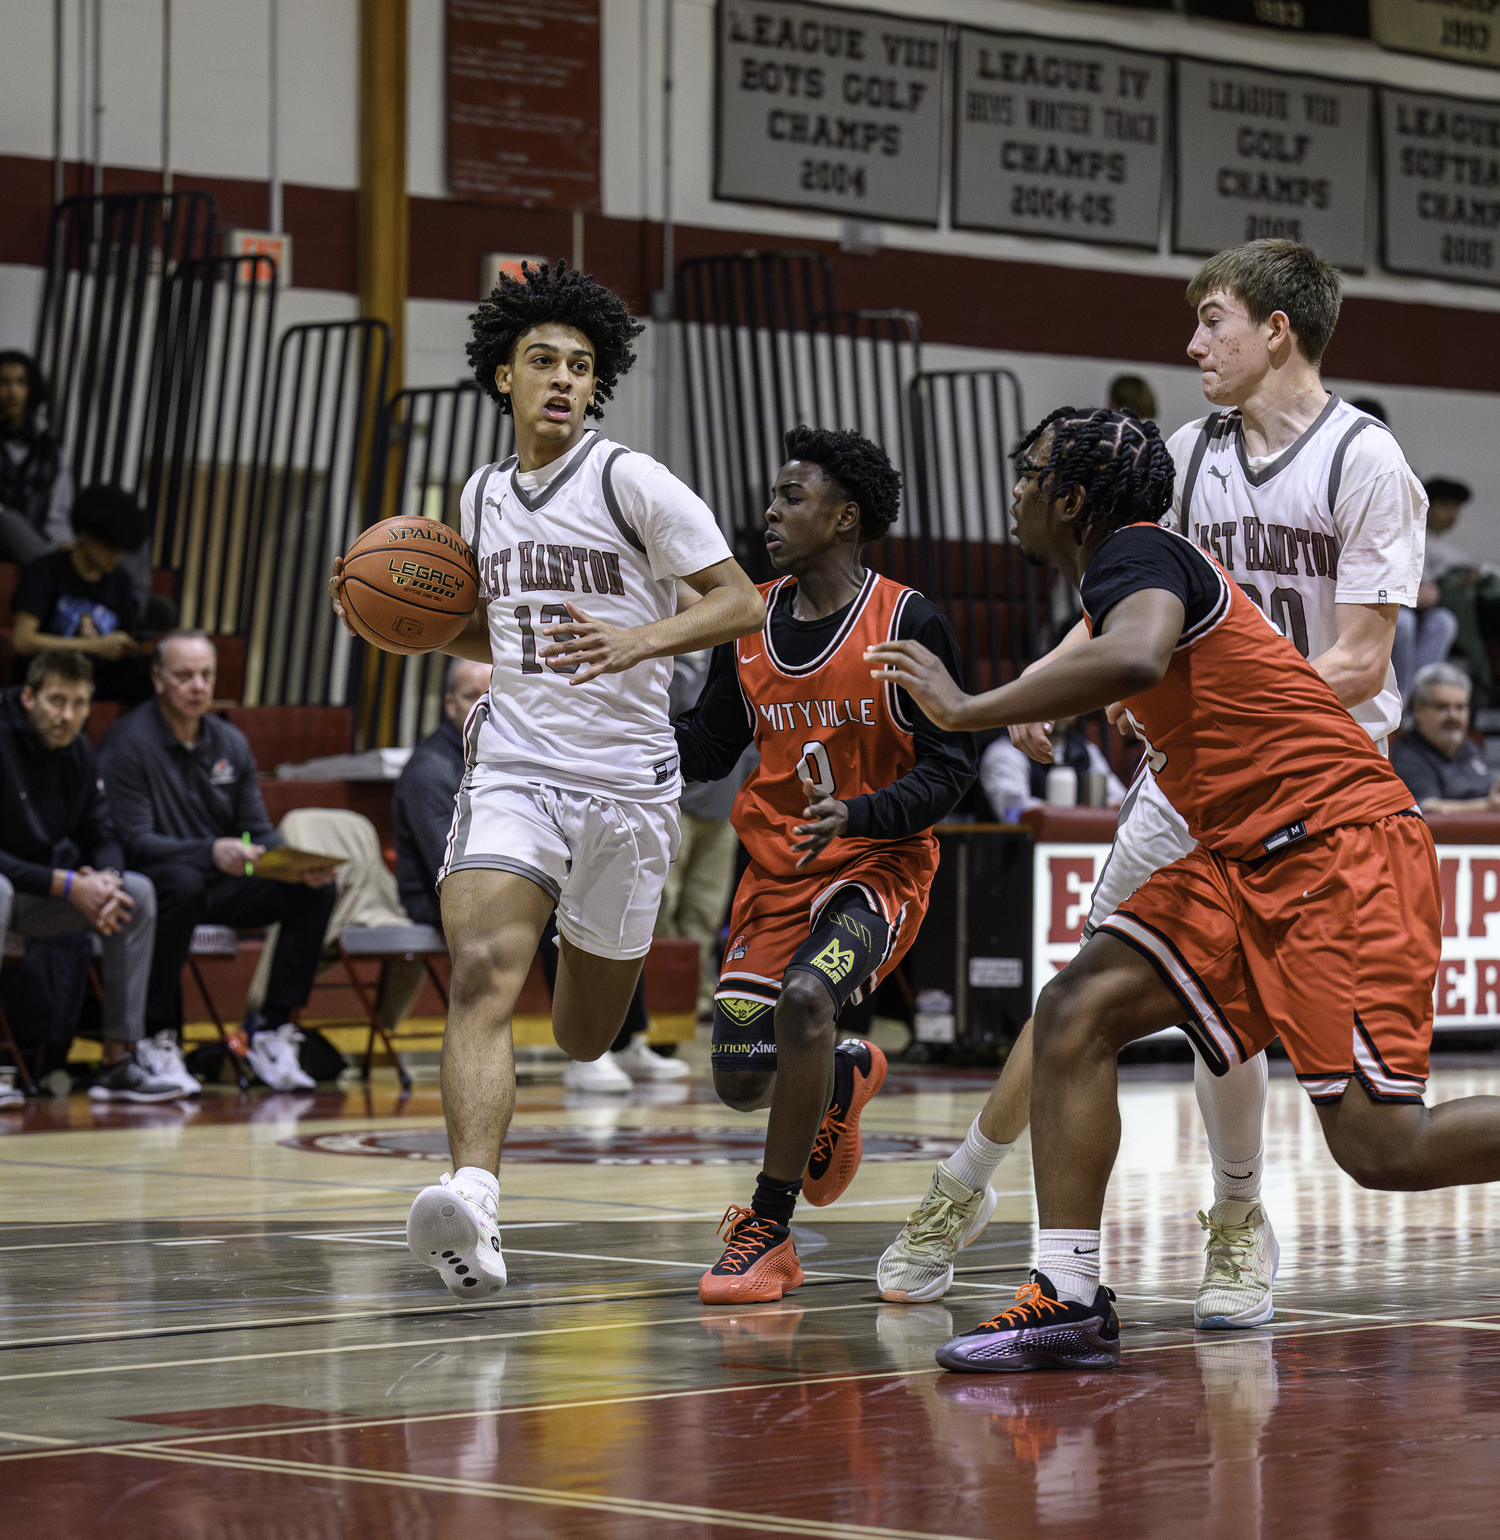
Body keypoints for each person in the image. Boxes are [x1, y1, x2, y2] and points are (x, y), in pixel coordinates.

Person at [867, 405, 1500, 1374]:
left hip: (1338, 852)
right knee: (1076, 1009)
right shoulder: (1126, 572)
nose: (1017, 489)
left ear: (1072, 498)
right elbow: (1113, 650)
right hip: (1241, 857)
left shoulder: (1138, 554)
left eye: (1030, 473)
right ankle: (1067, 1294)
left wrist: (970, 704)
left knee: (1382, 1147)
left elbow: (1133, 657)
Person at [330, 259, 764, 1299]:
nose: (564, 380)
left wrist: (639, 640)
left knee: (579, 1030)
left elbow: (741, 601)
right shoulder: (479, 496)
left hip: (626, 783)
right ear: (502, 378)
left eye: (580, 365)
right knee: (480, 967)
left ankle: (581, 970)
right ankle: (471, 1199)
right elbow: (493, 623)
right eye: (542, 362)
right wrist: (418, 624)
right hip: (516, 762)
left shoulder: (633, 481)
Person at [675, 425, 977, 1304]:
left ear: (845, 518)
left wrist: (865, 813)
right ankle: (842, 1077)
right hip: (773, 874)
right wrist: (622, 732)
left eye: (792, 498)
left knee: (808, 999)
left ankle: (768, 1232)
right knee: (737, 1079)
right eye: (772, 497)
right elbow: (711, 742)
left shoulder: (906, 620)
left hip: (876, 866)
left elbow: (951, 767)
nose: (770, 512)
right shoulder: (750, 619)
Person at [394, 656, 675, 1090]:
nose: (483, 703)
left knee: (605, 895)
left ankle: (622, 1043)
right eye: (471, 696)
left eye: (492, 691)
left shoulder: (504, 751)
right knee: (547, 915)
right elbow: (447, 860)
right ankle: (582, 1059)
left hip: (501, 875)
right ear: (450, 704)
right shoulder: (431, 768)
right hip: (437, 894)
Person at [97, 630, 340, 1091]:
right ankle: (156, 1037)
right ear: (158, 679)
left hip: (224, 883)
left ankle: (270, 1030)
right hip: (158, 884)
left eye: (205, 675)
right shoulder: (128, 743)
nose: (197, 686)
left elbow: (257, 829)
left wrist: (291, 864)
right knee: (182, 883)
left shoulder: (230, 742)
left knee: (314, 890)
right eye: (184, 675)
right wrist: (209, 850)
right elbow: (132, 841)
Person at [0, 650, 180, 1100]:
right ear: (28, 697)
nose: (67, 715)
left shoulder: (79, 750)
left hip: (36, 893)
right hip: (11, 887)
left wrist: (107, 880)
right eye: (56, 701)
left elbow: (102, 830)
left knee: (135, 894)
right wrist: (65, 885)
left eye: (79, 704)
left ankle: (119, 1058)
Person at [657, 599, 758, 1024]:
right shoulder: (668, 659)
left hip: (722, 810)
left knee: (704, 911)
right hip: (675, 805)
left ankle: (695, 999)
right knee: (662, 904)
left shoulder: (742, 653)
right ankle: (660, 997)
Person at [10, 485, 153, 703]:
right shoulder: (46, 571)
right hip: (49, 670)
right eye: (108, 547)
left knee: (155, 673)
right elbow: (22, 641)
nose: (115, 557)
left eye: (121, 549)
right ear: (85, 534)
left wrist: (128, 647)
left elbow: (124, 636)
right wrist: (91, 646)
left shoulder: (120, 581)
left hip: (97, 674)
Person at [1418, 479, 1499, 702]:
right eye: (1445, 505)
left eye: (1456, 507)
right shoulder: (1411, 540)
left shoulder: (1448, 548)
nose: (1452, 513)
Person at [1391, 662, 1500, 811]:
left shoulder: (1468, 747)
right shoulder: (1407, 753)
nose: (1453, 716)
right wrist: (1486, 808)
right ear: (1418, 709)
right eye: (1442, 707)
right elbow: (1425, 808)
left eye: (1460, 707)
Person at [0, 350, 72, 566]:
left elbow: (58, 516)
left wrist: (62, 546)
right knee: (7, 519)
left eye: (21, 382)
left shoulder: (51, 449)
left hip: (37, 544)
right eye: (4, 382)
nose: (13, 391)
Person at [978, 715, 1124, 818]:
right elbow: (1012, 810)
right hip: (1014, 854)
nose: (1060, 707)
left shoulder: (1086, 750)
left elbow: (1119, 799)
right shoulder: (1005, 750)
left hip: (1072, 848)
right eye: (1052, 696)